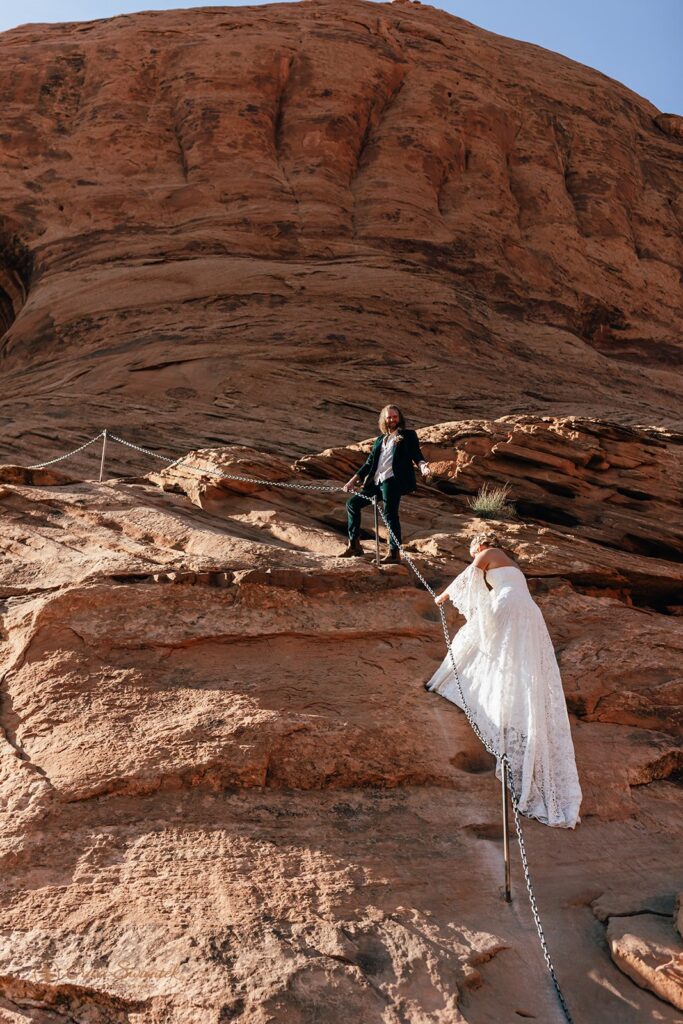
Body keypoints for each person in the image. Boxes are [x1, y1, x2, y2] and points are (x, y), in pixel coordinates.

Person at [426, 531, 582, 828]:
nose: (475, 556)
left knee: (475, 639)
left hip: (510, 606)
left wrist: (442, 597)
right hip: (529, 613)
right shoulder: (509, 562)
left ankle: (450, 680)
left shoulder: (487, 553)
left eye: (474, 552)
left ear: (480, 545)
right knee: (513, 656)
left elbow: (466, 577)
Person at [340, 405, 430, 564]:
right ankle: (354, 545)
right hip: (375, 481)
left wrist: (423, 466)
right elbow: (368, 464)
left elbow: (416, 453)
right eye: (389, 417)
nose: (392, 420)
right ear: (384, 420)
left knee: (390, 514)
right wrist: (352, 482)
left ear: (399, 418)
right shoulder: (380, 440)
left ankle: (394, 554)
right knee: (352, 504)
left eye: (395, 417)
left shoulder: (407, 435)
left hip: (392, 481)